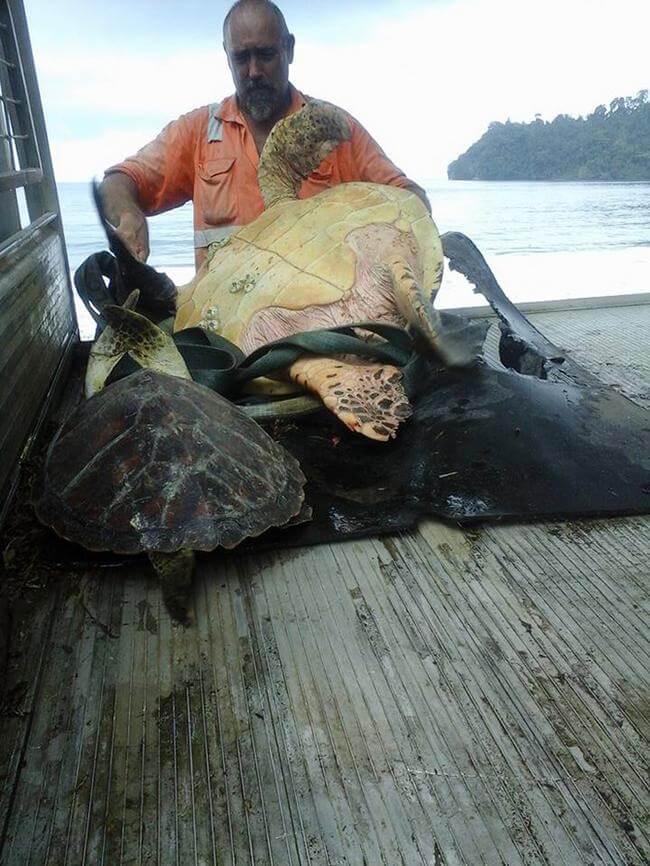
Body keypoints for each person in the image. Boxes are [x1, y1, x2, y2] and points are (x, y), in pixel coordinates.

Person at [100, 0, 431, 270]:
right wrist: (128, 215)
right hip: (224, 326)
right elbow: (118, 181)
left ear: (289, 49)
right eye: (241, 58)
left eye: (266, 54)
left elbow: (409, 198)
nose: (254, 71)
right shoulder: (198, 132)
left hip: (318, 321)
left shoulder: (333, 128)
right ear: (226, 56)